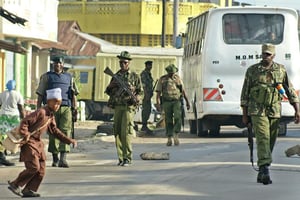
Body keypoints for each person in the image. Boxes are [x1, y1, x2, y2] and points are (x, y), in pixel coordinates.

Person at [240, 43, 300, 185]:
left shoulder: (280, 70)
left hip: (274, 110)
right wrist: (244, 114)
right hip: (257, 110)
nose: (265, 56)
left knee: (271, 140)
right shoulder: (252, 71)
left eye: (268, 54)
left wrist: (297, 109)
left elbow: (289, 90)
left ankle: (263, 166)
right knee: (263, 137)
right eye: (264, 54)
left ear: (273, 55)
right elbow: (245, 93)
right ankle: (264, 169)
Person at [7, 88, 77, 198]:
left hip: (38, 144)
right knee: (34, 167)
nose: (57, 106)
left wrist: (69, 140)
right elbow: (25, 122)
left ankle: (29, 189)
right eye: (55, 103)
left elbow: (55, 131)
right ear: (49, 101)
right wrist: (25, 133)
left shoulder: (51, 116)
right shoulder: (41, 112)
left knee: (41, 169)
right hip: (29, 143)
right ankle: (15, 184)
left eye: (59, 104)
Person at [36, 57, 79, 168]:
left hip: (66, 108)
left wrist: (75, 109)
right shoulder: (47, 77)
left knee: (65, 131)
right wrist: (38, 110)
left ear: (63, 64)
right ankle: (55, 158)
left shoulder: (69, 77)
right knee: (53, 131)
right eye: (56, 63)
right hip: (51, 109)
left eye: (60, 63)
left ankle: (63, 159)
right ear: (53, 64)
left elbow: (74, 94)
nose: (58, 65)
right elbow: (40, 94)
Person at [105, 51, 143, 167]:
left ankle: (127, 157)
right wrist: (112, 86)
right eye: (121, 62)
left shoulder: (134, 76)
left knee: (125, 132)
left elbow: (141, 92)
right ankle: (121, 157)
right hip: (117, 107)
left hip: (128, 107)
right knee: (117, 133)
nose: (122, 64)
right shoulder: (115, 76)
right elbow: (108, 91)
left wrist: (137, 98)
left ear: (129, 63)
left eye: (125, 62)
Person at [155, 64, 190, 146]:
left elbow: (183, 91)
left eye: (173, 73)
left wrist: (187, 102)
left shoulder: (177, 79)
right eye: (171, 73)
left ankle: (176, 134)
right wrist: (158, 104)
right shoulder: (162, 79)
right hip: (167, 102)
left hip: (176, 101)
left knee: (178, 117)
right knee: (168, 120)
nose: (172, 74)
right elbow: (158, 93)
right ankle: (169, 137)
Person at [0, 80, 25, 166]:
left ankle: (2, 154)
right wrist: (24, 119)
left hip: (3, 116)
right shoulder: (18, 94)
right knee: (15, 136)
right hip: (14, 117)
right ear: (15, 86)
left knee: (3, 136)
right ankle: (12, 150)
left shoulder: (2, 94)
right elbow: (21, 108)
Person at [140, 60, 154, 135]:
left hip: (149, 94)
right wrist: (146, 94)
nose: (150, 67)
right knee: (145, 110)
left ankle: (145, 125)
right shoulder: (144, 74)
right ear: (146, 66)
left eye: (151, 65)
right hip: (146, 95)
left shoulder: (149, 74)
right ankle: (144, 125)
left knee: (148, 110)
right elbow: (144, 85)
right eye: (149, 65)